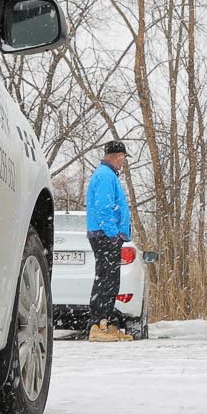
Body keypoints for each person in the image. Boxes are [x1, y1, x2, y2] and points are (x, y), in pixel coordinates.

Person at [85, 140, 134, 342]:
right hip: (105, 236)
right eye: (123, 158)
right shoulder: (105, 176)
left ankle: (106, 322)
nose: (123, 162)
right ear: (118, 155)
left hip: (107, 235)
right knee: (106, 279)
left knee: (110, 280)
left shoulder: (107, 175)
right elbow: (104, 207)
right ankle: (98, 325)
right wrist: (113, 234)